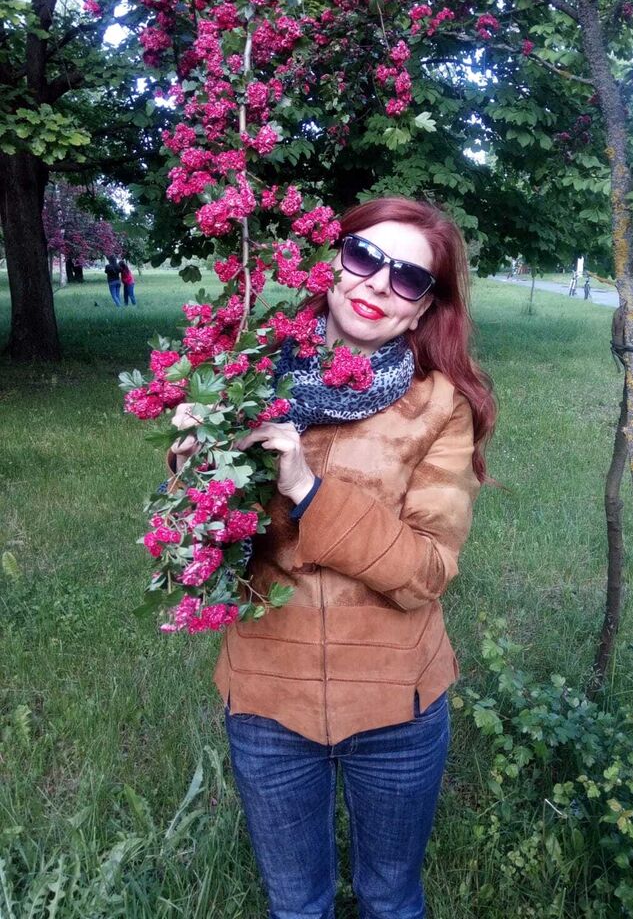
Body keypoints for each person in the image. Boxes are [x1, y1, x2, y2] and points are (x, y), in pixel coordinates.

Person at [169, 197, 496, 919]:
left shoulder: (440, 406)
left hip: (396, 701)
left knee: (391, 899)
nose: (378, 282)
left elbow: (428, 570)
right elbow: (200, 551)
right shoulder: (246, 373)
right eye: (364, 256)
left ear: (422, 309)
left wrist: (307, 489)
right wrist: (195, 462)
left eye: (408, 277)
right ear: (331, 264)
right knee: (296, 906)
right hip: (268, 697)